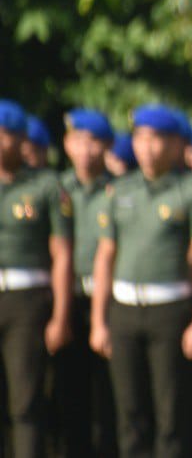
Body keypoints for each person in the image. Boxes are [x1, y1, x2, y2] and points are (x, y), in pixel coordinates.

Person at [90, 104, 192, 458]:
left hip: (170, 309)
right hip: (124, 309)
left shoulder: (191, 191)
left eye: (158, 139)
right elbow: (105, 257)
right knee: (129, 411)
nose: (148, 147)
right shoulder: (120, 191)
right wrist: (99, 320)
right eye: (141, 138)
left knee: (170, 412)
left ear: (177, 146)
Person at [0, 100, 74, 458]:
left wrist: (60, 316)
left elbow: (61, 254)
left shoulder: (45, 186)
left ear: (19, 140)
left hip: (25, 298)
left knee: (25, 400)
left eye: (4, 135)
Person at [53, 108, 119, 457]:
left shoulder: (120, 189)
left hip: (109, 302)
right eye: (78, 139)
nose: (85, 149)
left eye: (94, 141)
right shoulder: (57, 189)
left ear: (107, 145)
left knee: (108, 398)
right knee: (70, 394)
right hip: (67, 301)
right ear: (66, 143)